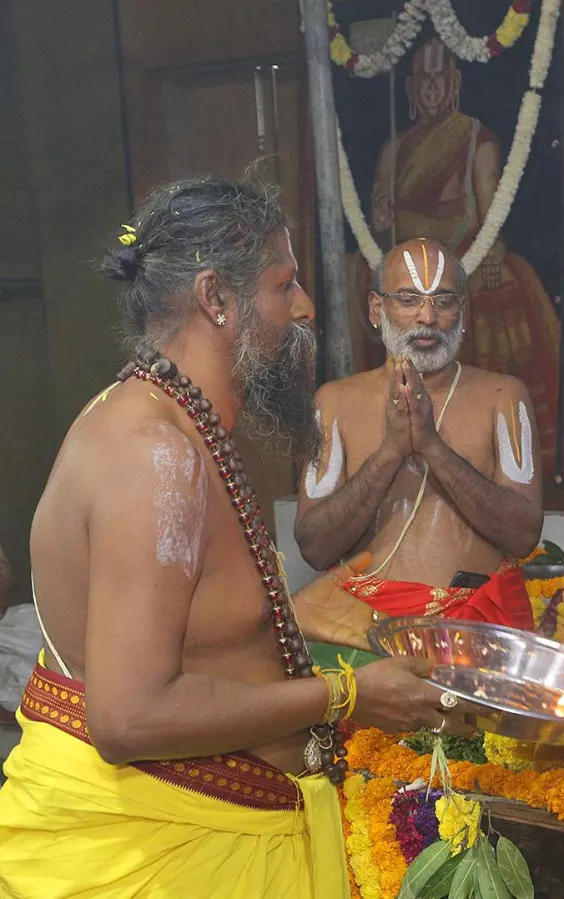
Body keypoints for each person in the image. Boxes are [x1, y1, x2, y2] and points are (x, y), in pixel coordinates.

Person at [0, 178, 462, 898]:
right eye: (285, 284)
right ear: (218, 299)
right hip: (162, 856)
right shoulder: (153, 456)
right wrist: (343, 695)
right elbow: (128, 716)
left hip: (217, 838)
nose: (304, 305)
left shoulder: (176, 427)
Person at [295, 237, 542, 629]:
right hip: (364, 628)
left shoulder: (504, 396)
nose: (428, 317)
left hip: (476, 625)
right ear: (377, 308)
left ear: (462, 310)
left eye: (443, 301)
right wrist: (392, 450)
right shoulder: (334, 402)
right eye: (409, 299)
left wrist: (431, 445)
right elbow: (314, 547)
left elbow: (523, 535)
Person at [363, 35, 560, 480]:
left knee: (503, 283)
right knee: (363, 270)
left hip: (462, 257)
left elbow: (489, 218)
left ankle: (479, 433)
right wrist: (381, 219)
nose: (432, 90)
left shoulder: (475, 139)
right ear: (411, 89)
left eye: (440, 81)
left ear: (454, 84)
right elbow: (384, 227)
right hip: (404, 265)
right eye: (423, 82)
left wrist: (490, 252)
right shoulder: (394, 149)